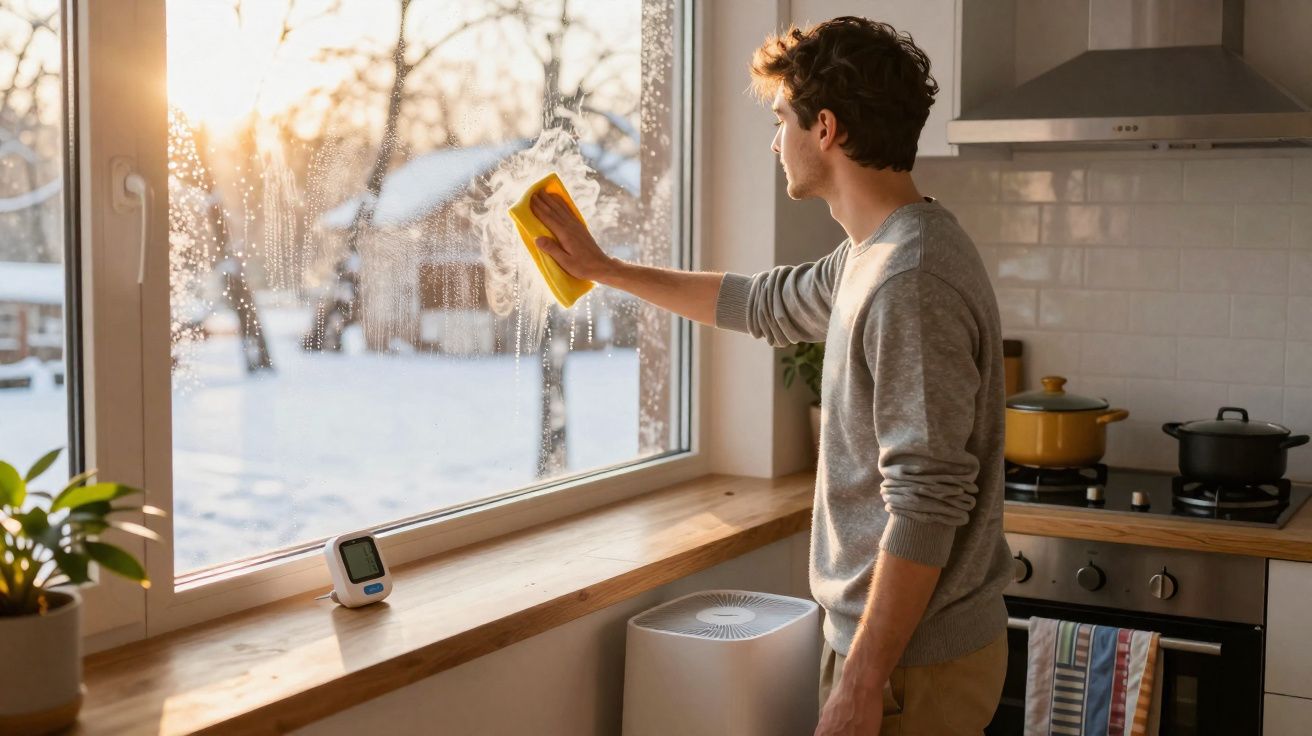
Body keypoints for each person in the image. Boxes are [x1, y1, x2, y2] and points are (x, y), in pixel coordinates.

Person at [530, 16, 1011, 736]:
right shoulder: (875, 253)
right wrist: (607, 270)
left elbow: (927, 503)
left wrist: (863, 680)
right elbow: (757, 302)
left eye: (781, 117)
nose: (772, 139)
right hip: (894, 656)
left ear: (825, 129)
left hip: (911, 666)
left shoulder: (909, 278)